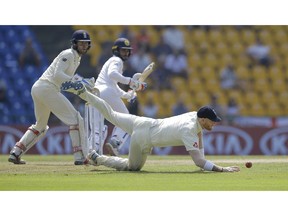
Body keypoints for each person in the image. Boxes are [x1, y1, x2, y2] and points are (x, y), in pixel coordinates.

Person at [60, 80, 240, 173]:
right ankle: (96, 158)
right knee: (132, 168)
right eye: (212, 121)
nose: (214, 123)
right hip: (145, 138)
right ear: (202, 120)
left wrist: (204, 153)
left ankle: (83, 93)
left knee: (111, 114)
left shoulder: (194, 115)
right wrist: (221, 169)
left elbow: (200, 135)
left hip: (143, 122)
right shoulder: (189, 130)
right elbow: (199, 162)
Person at [8, 30, 92, 165]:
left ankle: (16, 152)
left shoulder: (76, 58)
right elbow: (58, 75)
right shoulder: (68, 54)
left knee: (41, 126)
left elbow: (69, 78)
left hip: (41, 89)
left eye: (86, 44)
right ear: (74, 43)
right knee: (76, 119)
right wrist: (79, 83)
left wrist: (83, 81)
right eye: (81, 43)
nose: (83, 46)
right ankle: (80, 156)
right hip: (47, 88)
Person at [93, 37, 147, 156]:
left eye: (128, 51)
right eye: (123, 50)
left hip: (97, 93)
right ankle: (115, 142)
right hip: (106, 92)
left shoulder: (112, 60)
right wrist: (130, 82)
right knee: (126, 120)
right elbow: (112, 74)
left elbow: (113, 85)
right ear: (116, 50)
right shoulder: (117, 61)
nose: (126, 53)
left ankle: (93, 152)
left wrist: (126, 95)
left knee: (98, 126)